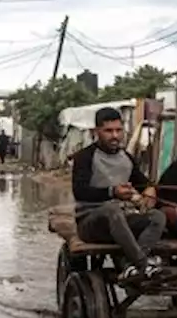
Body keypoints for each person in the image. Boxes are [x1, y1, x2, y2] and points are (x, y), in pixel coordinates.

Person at [71, 107, 166, 279]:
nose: (115, 135)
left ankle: (132, 266)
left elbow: (143, 183)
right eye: (108, 131)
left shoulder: (127, 158)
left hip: (121, 222)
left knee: (157, 216)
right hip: (90, 224)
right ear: (96, 131)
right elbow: (80, 192)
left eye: (118, 130)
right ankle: (142, 264)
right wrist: (113, 192)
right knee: (112, 209)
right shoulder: (84, 157)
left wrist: (150, 189)